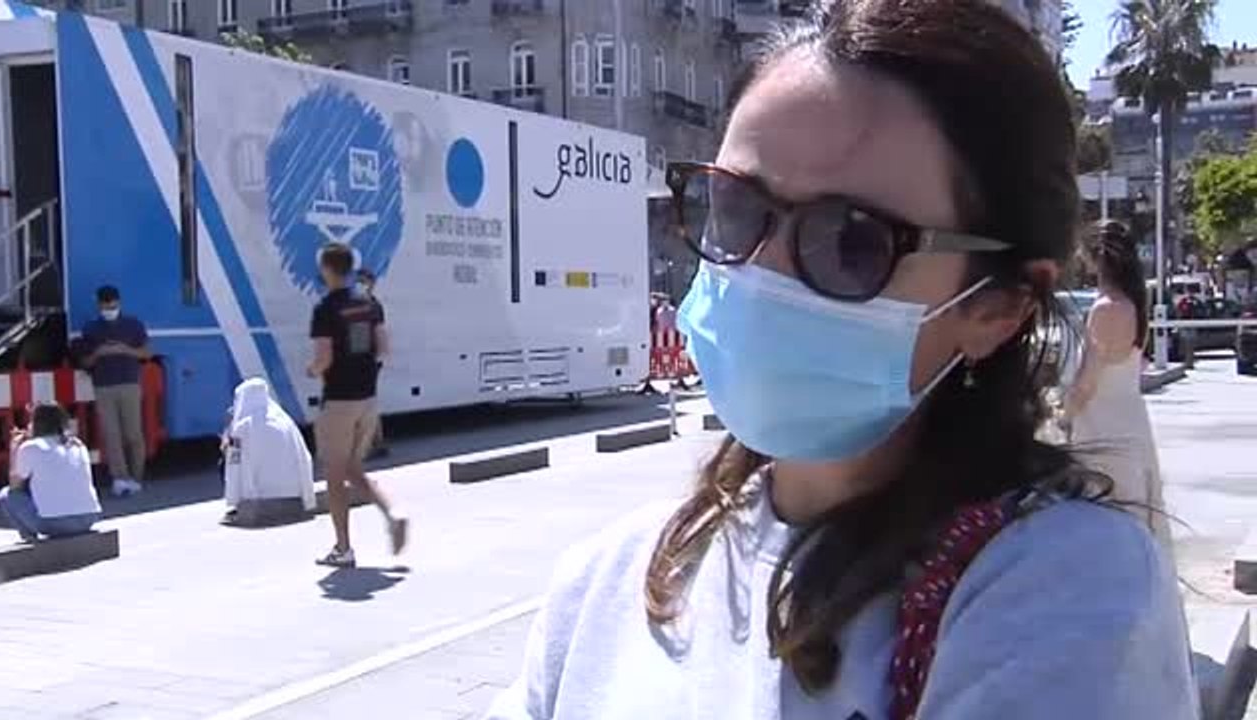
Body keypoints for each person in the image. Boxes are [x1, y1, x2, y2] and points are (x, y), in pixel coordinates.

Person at [487, 2, 1196, 719]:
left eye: (851, 242)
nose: (761, 273)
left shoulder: (1061, 590)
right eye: (737, 208)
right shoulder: (609, 585)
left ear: (997, 308)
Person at [1064, 221, 1171, 549]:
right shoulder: (1134, 304)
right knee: (1134, 511)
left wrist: (1062, 411)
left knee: (1109, 514)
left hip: (1102, 425)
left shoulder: (1107, 308)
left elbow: (1087, 381)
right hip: (1128, 419)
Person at [309, 244, 407, 568]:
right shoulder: (369, 304)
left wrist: (313, 369)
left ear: (326, 269)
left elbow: (324, 358)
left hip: (338, 400)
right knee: (353, 468)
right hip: (368, 399)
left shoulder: (325, 309)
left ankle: (343, 548)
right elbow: (383, 348)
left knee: (335, 476)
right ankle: (392, 515)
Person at [80, 285, 150, 497]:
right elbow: (85, 361)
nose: (109, 308)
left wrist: (124, 349)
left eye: (112, 304)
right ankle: (120, 478)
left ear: (119, 302)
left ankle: (137, 477)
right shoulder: (91, 328)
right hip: (103, 385)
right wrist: (99, 353)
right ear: (99, 305)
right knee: (112, 435)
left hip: (129, 383)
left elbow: (146, 352)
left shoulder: (133, 325)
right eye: (105, 305)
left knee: (133, 433)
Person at [0, 403, 102, 542]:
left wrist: (15, 448)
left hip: (54, 522)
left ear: (36, 424)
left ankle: (29, 538)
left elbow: (15, 485)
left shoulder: (30, 447)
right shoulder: (77, 444)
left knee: (6, 495)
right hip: (89, 517)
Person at [221, 377, 316, 524]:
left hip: (261, 499)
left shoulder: (242, 428)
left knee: (226, 459)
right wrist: (308, 499)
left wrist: (233, 499)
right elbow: (304, 457)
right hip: (294, 496)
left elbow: (234, 464)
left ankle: (235, 511)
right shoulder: (286, 422)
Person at [356, 268, 390, 461]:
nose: (360, 284)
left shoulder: (369, 305)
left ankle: (370, 445)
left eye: (363, 281)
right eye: (358, 280)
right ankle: (378, 442)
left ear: (371, 283)